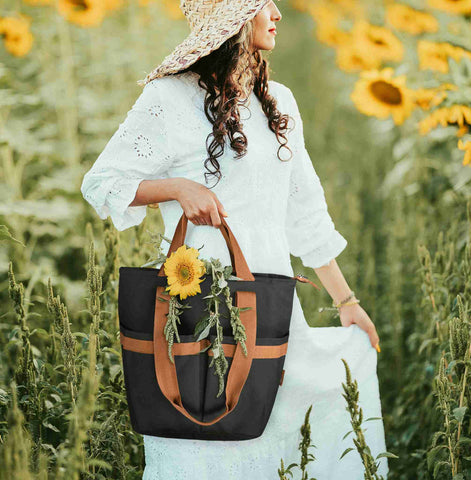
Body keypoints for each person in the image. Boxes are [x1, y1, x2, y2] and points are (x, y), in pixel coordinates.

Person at [80, 0, 389, 478]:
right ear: (234, 20)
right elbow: (102, 184)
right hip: (196, 298)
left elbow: (303, 210)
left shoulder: (279, 101)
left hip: (270, 295)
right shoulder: (168, 98)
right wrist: (178, 188)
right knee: (203, 438)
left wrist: (345, 299)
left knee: (287, 429)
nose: (278, 13)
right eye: (264, 3)